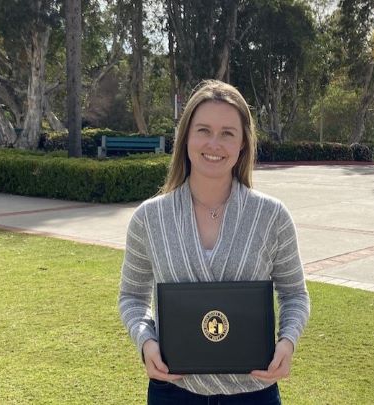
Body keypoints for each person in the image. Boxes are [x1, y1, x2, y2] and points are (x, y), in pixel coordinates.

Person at [118, 79, 310, 404]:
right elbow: (132, 297)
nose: (214, 143)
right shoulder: (149, 218)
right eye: (204, 130)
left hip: (254, 394)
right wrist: (146, 341)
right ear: (186, 138)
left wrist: (287, 342)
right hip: (174, 392)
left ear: (243, 144)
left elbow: (294, 295)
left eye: (227, 133)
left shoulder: (272, 216)